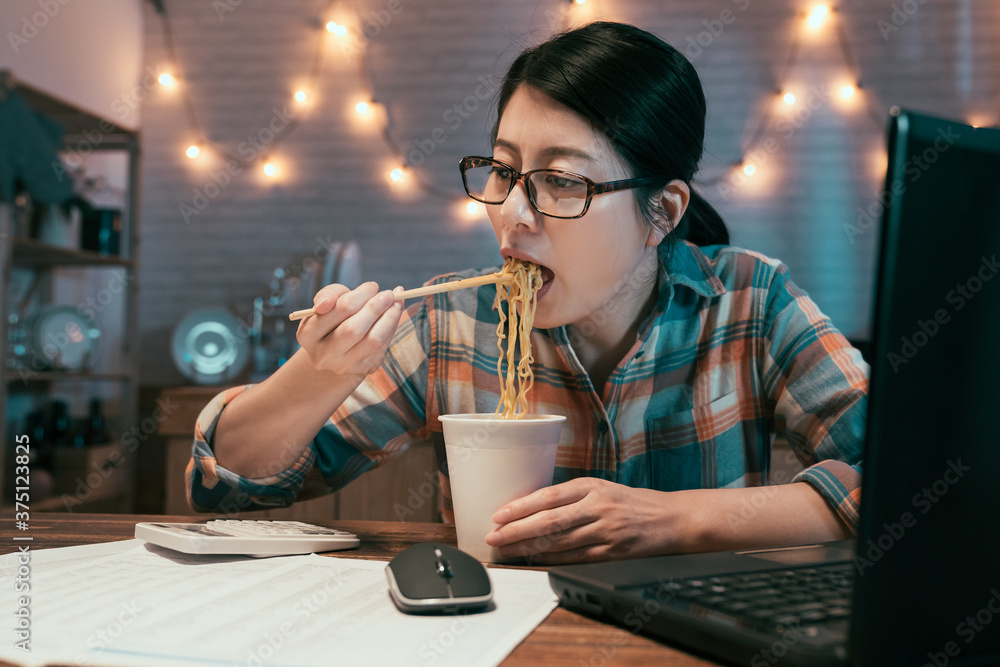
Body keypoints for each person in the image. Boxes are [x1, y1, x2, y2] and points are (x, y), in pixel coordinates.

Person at [188, 21, 866, 564]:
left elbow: (902, 477)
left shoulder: (750, 299)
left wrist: (671, 519)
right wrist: (318, 371)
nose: (513, 213)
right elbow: (228, 489)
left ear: (662, 211)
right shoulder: (451, 320)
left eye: (564, 181)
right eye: (504, 170)